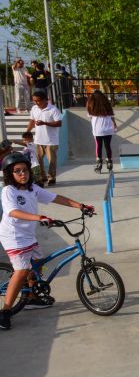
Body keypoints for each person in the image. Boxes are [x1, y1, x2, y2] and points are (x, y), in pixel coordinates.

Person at [0, 152, 93, 330]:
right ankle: (5, 311)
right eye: (17, 171)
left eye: (25, 170)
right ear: (10, 174)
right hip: (13, 235)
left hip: (28, 234)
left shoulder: (32, 188)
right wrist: (38, 217)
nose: (22, 174)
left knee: (37, 264)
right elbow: (13, 212)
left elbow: (56, 198)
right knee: (21, 271)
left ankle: (31, 299)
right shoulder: (8, 191)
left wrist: (80, 206)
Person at [27, 90, 61, 187]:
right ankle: (42, 177)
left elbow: (59, 123)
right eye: (34, 101)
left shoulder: (53, 109)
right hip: (38, 140)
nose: (36, 103)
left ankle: (51, 178)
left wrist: (45, 123)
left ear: (45, 100)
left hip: (51, 141)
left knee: (52, 161)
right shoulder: (34, 108)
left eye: (38, 101)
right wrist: (27, 131)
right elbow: (32, 121)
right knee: (37, 161)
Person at [86, 90, 117, 173]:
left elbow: (90, 117)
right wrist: (115, 125)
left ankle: (99, 163)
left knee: (98, 146)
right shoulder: (107, 104)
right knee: (107, 146)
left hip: (97, 129)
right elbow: (112, 117)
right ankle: (109, 163)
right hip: (108, 129)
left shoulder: (91, 105)